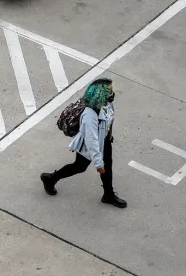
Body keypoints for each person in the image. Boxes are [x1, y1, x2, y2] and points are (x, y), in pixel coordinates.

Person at [40, 77, 127, 208]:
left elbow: (109, 120)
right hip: (89, 145)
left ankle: (108, 194)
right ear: (100, 95)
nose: (112, 93)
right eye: (109, 92)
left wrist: (109, 136)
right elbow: (91, 141)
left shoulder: (106, 104)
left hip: (104, 140)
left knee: (108, 165)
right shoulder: (89, 115)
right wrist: (98, 164)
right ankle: (50, 178)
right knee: (79, 167)